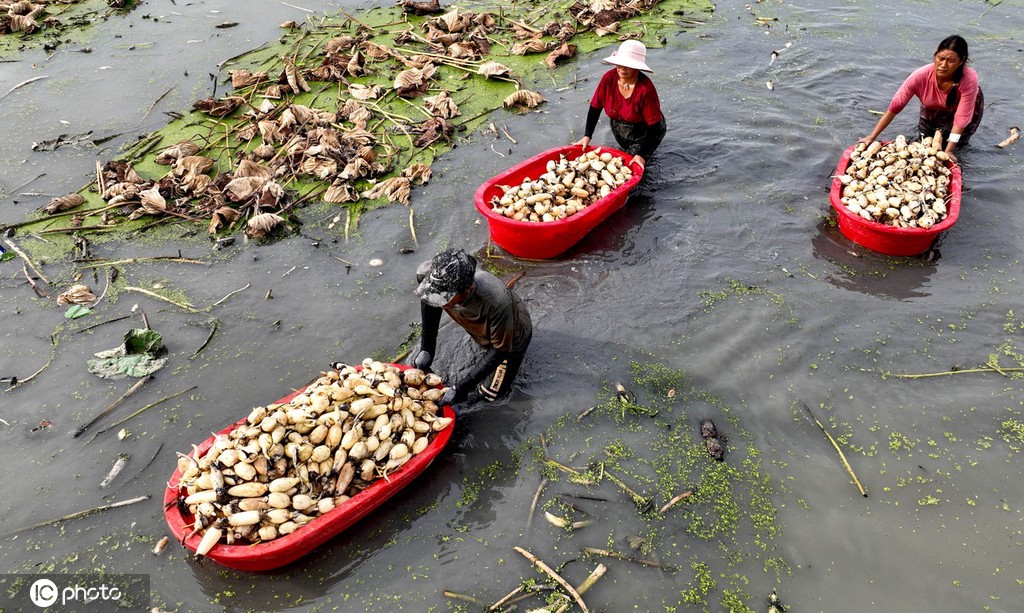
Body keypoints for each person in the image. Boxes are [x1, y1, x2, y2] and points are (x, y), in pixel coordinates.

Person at [411, 248, 532, 409]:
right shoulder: (428, 275)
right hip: (480, 327)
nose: (439, 299)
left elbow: (500, 349)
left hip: (510, 337)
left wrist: (462, 387)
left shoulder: (497, 302)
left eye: (444, 297)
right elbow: (429, 303)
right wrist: (426, 350)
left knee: (488, 396)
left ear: (468, 289)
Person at [860, 35, 983, 164]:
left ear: (961, 61)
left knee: (958, 145)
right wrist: (871, 137)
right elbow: (895, 107)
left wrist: (949, 151)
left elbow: (961, 119)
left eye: (951, 61)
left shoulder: (969, 79)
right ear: (935, 54)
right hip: (932, 107)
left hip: (965, 108)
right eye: (940, 58)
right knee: (925, 141)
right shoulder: (920, 76)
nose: (943, 65)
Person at [573, 39, 666, 170]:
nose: (622, 69)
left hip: (645, 131)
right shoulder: (608, 79)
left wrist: (642, 155)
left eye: (628, 65)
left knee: (627, 166)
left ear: (637, 67)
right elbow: (595, 107)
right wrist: (587, 136)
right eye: (620, 64)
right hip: (620, 127)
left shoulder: (645, 90)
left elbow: (654, 128)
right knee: (623, 157)